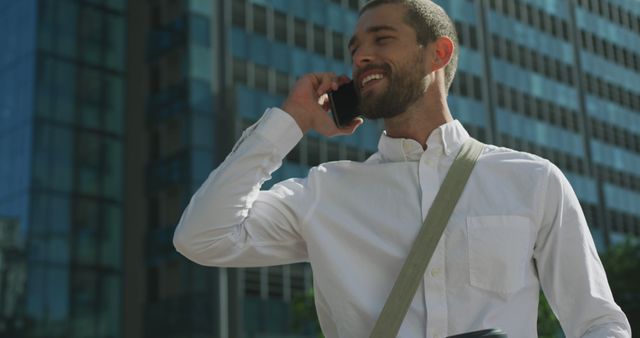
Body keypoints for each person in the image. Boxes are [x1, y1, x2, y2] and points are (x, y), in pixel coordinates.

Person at [173, 0, 631, 336]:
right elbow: (201, 237)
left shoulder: (532, 180)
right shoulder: (325, 193)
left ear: (439, 53)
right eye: (355, 47)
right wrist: (290, 121)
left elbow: (599, 322)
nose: (360, 56)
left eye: (381, 39)